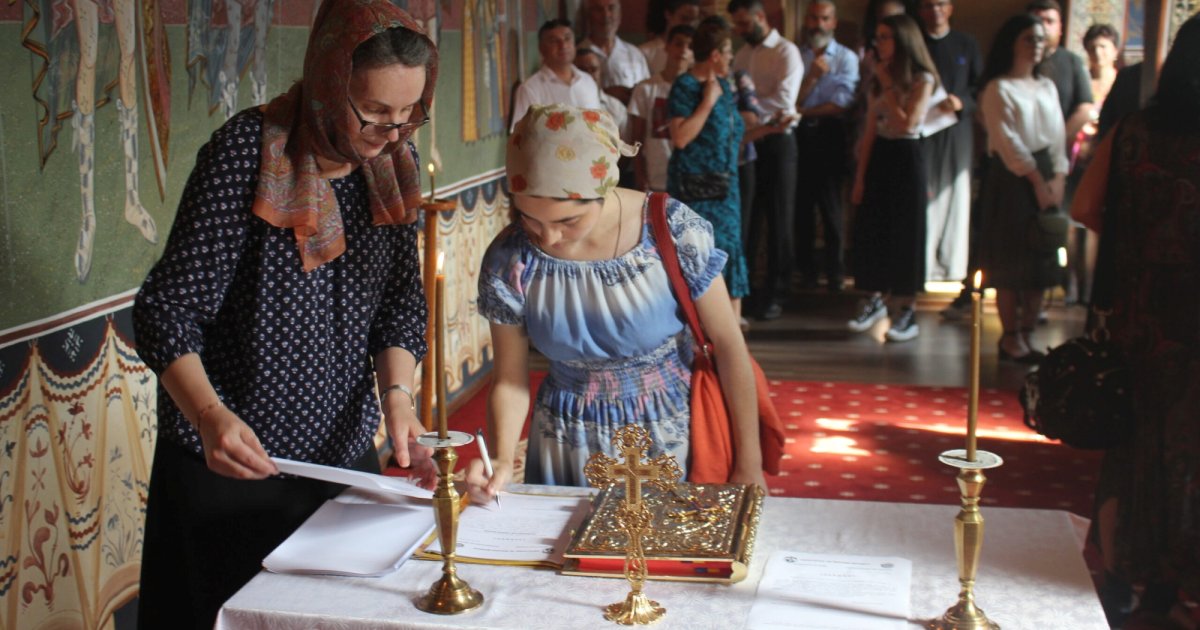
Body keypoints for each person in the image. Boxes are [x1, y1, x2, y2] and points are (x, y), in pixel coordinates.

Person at [131, 1, 435, 626]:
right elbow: (167, 310)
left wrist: (398, 399)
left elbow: (401, 305)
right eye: (375, 112)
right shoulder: (248, 153)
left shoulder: (389, 165)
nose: (392, 132)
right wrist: (210, 416)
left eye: (409, 115)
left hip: (339, 463)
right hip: (230, 464)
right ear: (330, 82)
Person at [469, 104, 767, 500]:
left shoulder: (671, 230)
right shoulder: (511, 258)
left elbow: (730, 347)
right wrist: (503, 458)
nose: (549, 238)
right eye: (530, 219)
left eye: (567, 221)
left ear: (605, 188)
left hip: (667, 434)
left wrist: (749, 462)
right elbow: (509, 379)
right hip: (564, 438)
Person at [1074, 15, 1200, 629]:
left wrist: (1143, 242)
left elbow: (1085, 207)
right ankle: (1182, 588)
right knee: (1189, 453)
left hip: (1143, 309)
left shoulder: (1133, 131)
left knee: (1134, 444)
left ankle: (1125, 580)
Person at [976, 13, 1068, 362]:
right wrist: (1036, 181)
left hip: (1046, 169)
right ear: (1012, 43)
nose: (1037, 46)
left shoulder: (1047, 86)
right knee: (1011, 262)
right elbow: (1007, 141)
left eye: (1041, 40)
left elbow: (1058, 135)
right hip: (1013, 178)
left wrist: (1058, 177)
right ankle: (1010, 336)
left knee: (1040, 260)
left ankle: (1029, 332)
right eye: (1029, 39)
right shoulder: (999, 88)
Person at [847, 13, 938, 343]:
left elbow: (908, 124)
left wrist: (887, 82)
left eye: (885, 37)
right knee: (873, 228)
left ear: (902, 41)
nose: (879, 43)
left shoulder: (922, 78)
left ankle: (906, 309)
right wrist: (860, 177)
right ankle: (874, 298)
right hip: (880, 156)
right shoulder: (877, 78)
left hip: (907, 155)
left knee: (906, 232)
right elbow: (872, 129)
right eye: (879, 36)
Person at [728, 0, 803, 320]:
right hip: (749, 143)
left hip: (778, 142)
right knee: (751, 218)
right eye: (737, 25)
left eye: (744, 23)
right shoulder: (742, 54)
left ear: (761, 17)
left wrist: (750, 113)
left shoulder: (786, 52)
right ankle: (752, 291)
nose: (740, 30)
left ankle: (777, 290)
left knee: (779, 217)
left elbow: (785, 101)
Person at [793, 0, 859, 293]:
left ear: (833, 22)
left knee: (832, 210)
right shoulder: (796, 55)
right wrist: (813, 78)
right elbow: (790, 100)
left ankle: (835, 272)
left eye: (824, 18)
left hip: (830, 137)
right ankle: (806, 271)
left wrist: (802, 111)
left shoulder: (846, 58)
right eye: (813, 18)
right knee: (801, 209)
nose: (818, 24)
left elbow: (841, 104)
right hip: (799, 137)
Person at [918, 0, 982, 296]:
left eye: (941, 4)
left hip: (957, 128)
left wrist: (962, 103)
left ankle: (951, 266)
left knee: (955, 193)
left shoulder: (966, 43)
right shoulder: (916, 42)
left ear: (951, 8)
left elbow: (980, 87)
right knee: (924, 193)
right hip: (923, 128)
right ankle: (923, 264)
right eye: (929, 5)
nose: (936, 10)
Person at [630, 24, 695, 192]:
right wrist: (640, 174)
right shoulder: (646, 88)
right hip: (656, 175)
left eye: (689, 46)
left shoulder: (698, 90)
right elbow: (636, 137)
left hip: (689, 177)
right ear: (667, 46)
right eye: (678, 44)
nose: (683, 50)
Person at [510, 19, 602, 132]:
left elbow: (598, 125)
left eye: (567, 38)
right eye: (554, 41)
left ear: (574, 44)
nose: (563, 45)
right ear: (541, 48)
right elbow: (519, 135)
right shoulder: (530, 89)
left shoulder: (588, 81)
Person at [579, 0, 652, 105]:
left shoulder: (635, 55)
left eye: (611, 8)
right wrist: (606, 93)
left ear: (620, 14)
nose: (606, 15)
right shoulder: (577, 55)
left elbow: (646, 95)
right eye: (598, 10)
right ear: (588, 15)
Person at [575, 47, 631, 142]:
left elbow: (626, 148)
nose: (589, 75)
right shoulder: (563, 103)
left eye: (594, 69)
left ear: (600, 72)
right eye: (582, 70)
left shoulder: (617, 107)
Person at [640, 0, 701, 76]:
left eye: (694, 20)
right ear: (668, 14)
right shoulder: (645, 53)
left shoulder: (698, 53)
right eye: (684, 18)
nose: (690, 25)